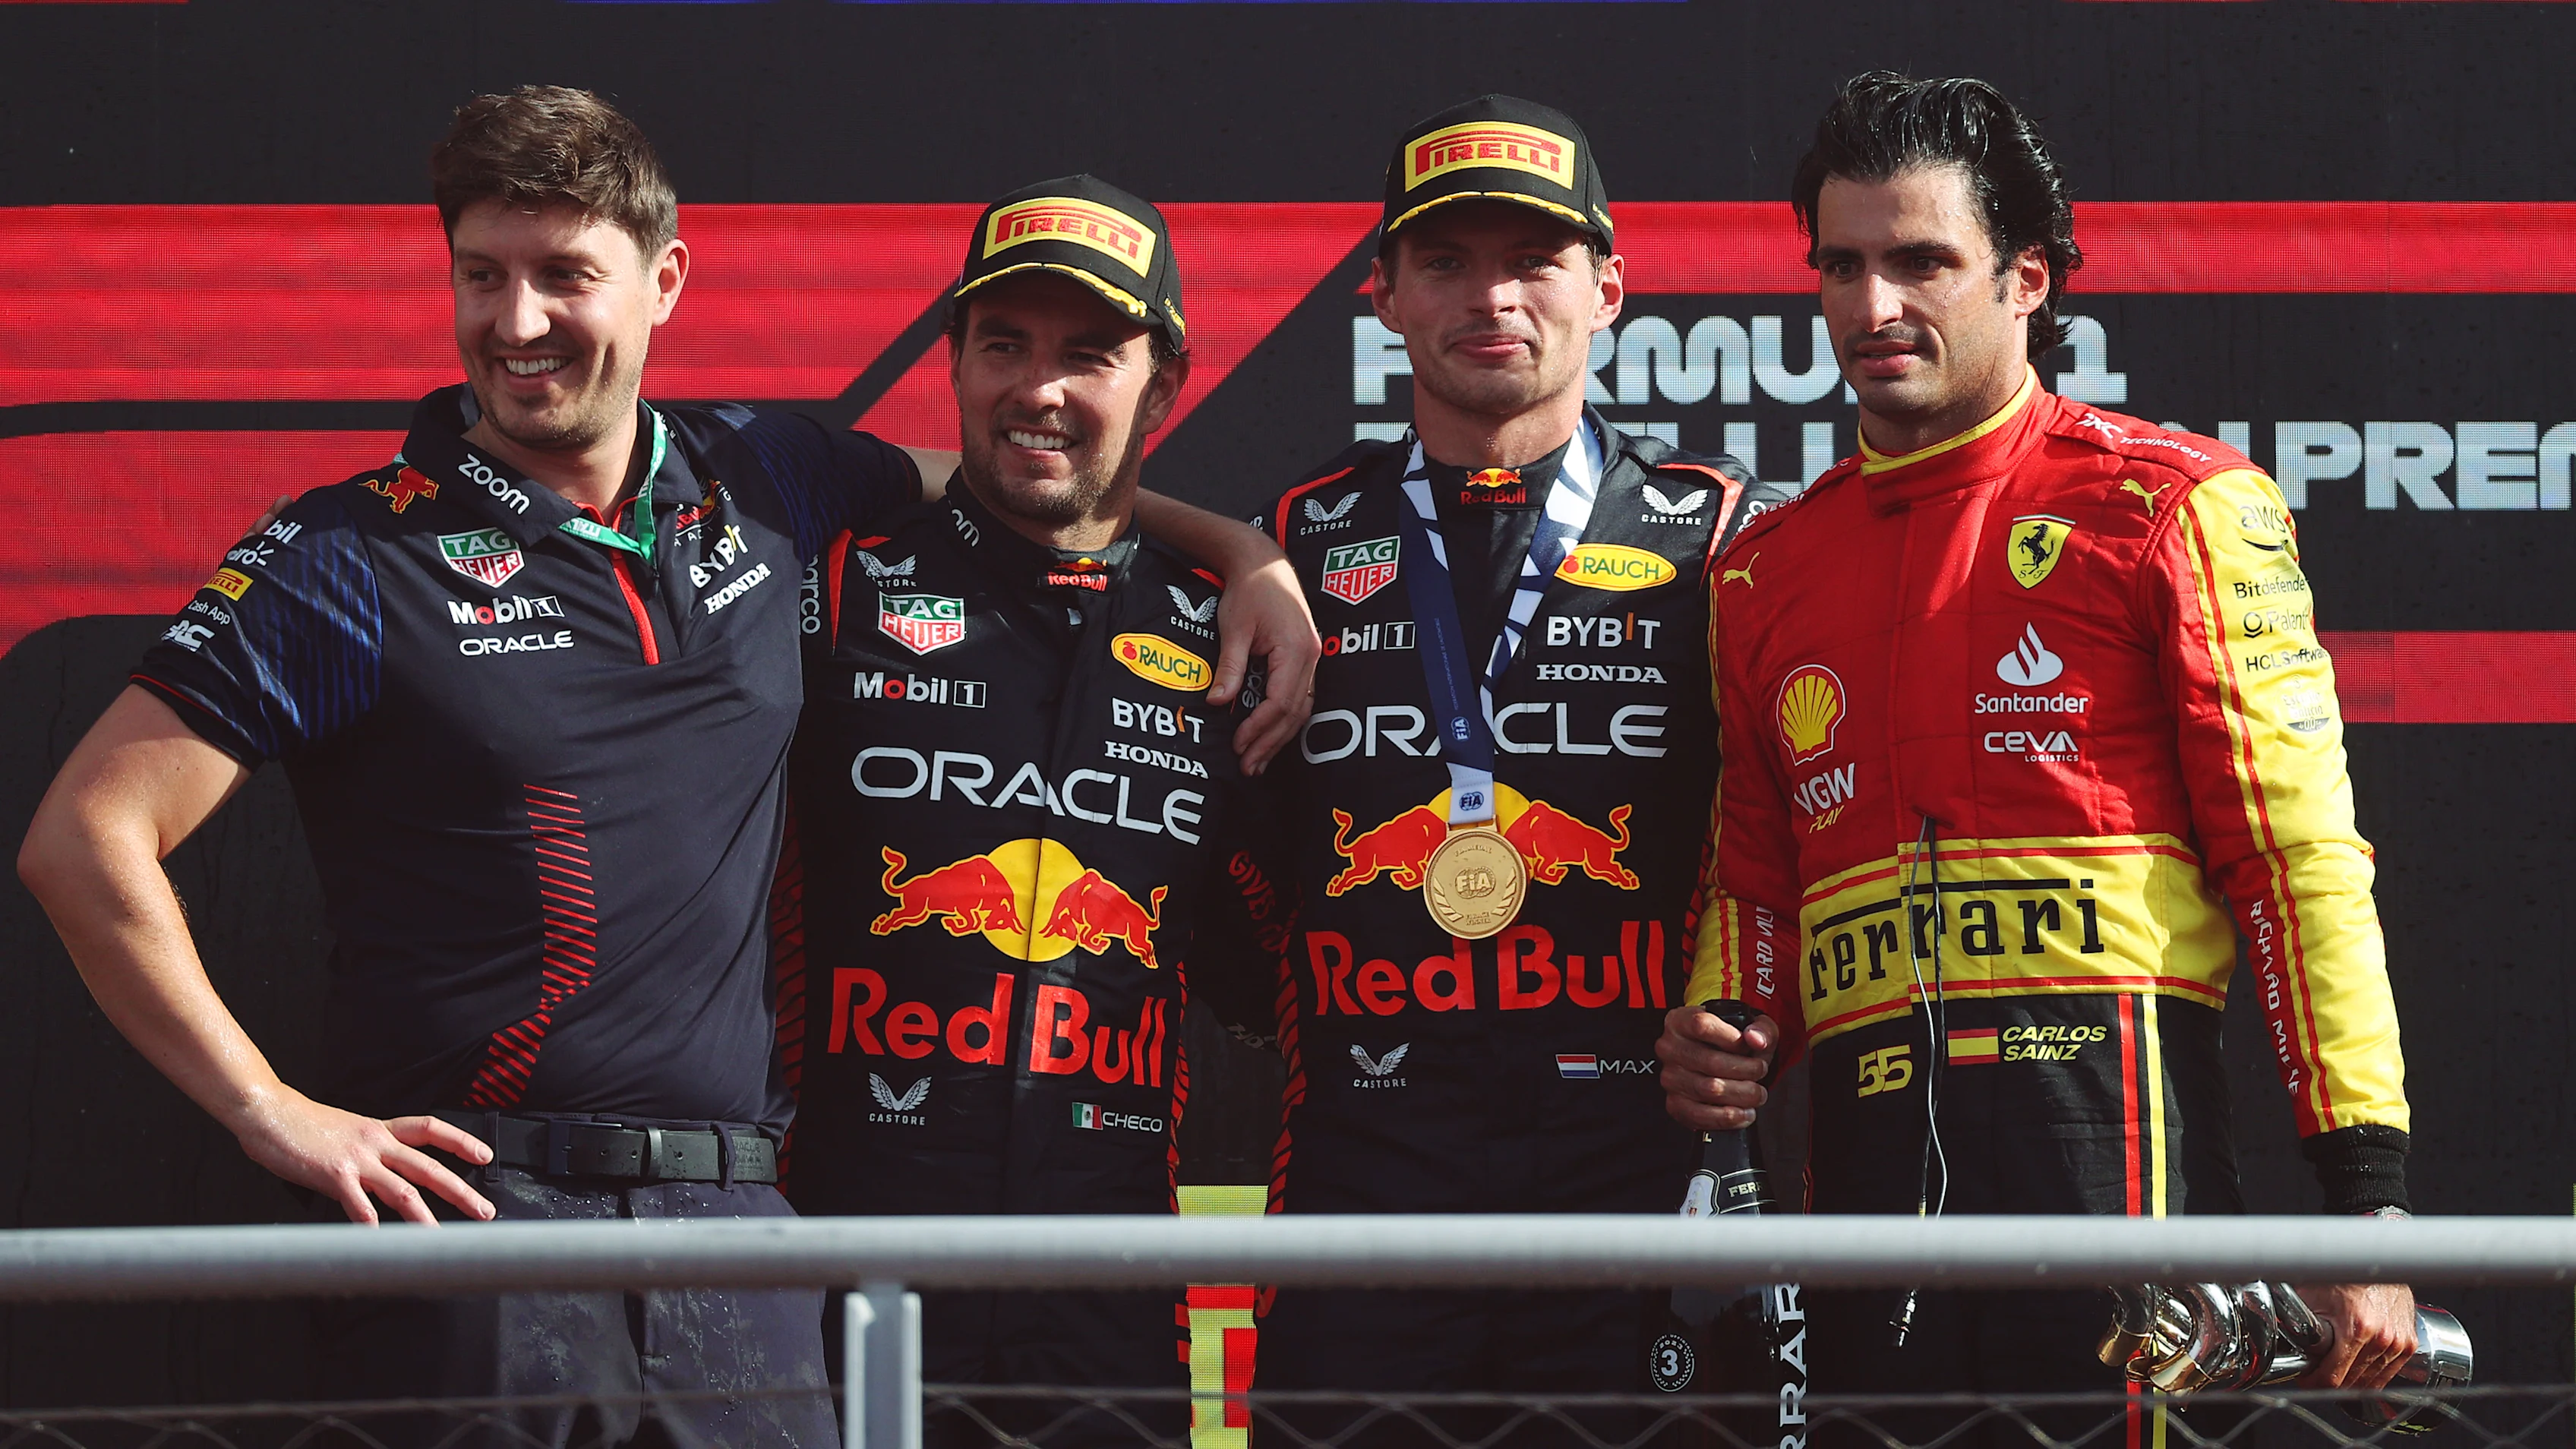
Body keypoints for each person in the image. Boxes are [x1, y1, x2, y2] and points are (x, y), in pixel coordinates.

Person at [14, 88, 1313, 1444]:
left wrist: (1241, 552)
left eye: (566, 274)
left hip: (736, 1235)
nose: (517, 323)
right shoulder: (346, 554)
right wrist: (271, 1112)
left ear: (664, 282)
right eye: (482, 275)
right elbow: (85, 838)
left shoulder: (770, 478)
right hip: (471, 1218)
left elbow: (1016, 477)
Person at [1659, 71, 2420, 1427]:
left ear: (2028, 279)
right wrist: (1730, 1026)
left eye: (1919, 262)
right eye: (1842, 265)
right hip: (1865, 1156)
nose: (1871, 307)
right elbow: (1754, 883)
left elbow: (2298, 865)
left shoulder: (2175, 504)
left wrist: (2365, 1210)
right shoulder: (1764, 568)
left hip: (2116, 1137)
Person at [1249, 95, 1790, 1440]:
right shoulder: (1289, 550)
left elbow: (1813, 835)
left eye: (1533, 260)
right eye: (1445, 261)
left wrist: (1754, 1019)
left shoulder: (1720, 533)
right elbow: (1220, 874)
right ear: (1382, 295)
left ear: (1609, 289)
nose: (1491, 297)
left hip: (1639, 1180)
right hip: (1365, 1187)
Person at [779, 175, 1293, 1447]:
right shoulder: (832, 587)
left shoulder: (1221, 637)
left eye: (1088, 355)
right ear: (951, 362)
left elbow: (1292, 964)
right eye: (1003, 345)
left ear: (1164, 383)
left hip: (1104, 1279)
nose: (1040, 389)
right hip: (841, 1258)